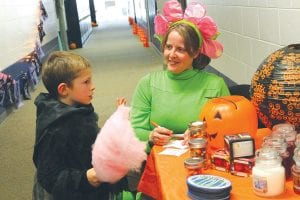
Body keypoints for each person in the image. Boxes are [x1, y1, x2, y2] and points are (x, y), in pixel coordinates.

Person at [130, 0, 230, 152]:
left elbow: (230, 127)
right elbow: (134, 130)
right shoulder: (148, 84)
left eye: (180, 49)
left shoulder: (215, 85)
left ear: (195, 52)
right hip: (158, 162)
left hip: (202, 156)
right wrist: (151, 136)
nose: (171, 55)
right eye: (168, 47)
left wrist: (204, 133)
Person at [32, 51, 127, 200]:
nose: (93, 86)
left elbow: (91, 139)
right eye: (86, 82)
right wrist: (88, 177)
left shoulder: (78, 110)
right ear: (64, 89)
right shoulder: (55, 128)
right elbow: (49, 177)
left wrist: (115, 123)